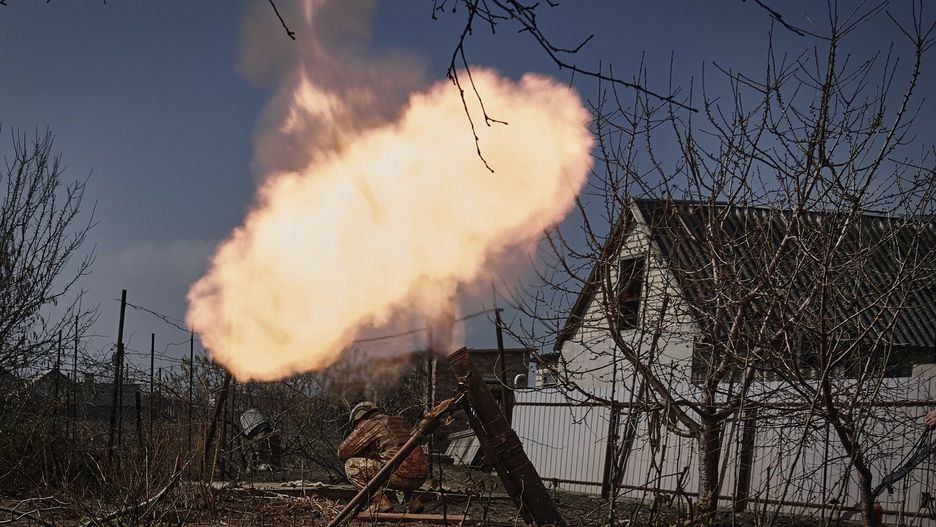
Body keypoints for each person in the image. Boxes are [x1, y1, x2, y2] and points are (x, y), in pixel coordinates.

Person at [338, 401, 429, 513]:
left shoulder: (370, 424)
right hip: (421, 476)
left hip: (399, 476)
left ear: (360, 418)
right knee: (394, 461)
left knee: (351, 465)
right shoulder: (399, 421)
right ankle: (413, 503)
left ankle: (379, 503)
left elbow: (343, 453)